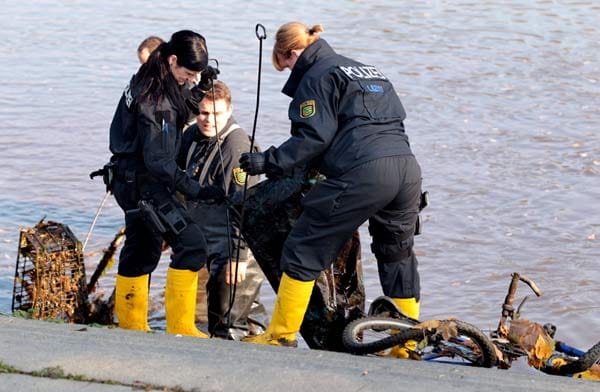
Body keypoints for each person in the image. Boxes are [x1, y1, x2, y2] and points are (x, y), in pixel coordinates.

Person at [240, 22, 423, 347]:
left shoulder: (316, 76)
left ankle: (279, 336)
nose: (288, 72)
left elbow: (312, 137)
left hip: (364, 173)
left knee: (302, 250)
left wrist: (267, 161)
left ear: (292, 53)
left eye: (285, 66)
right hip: (407, 170)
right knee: (397, 255)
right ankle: (406, 345)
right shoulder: (367, 71)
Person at [109, 30, 223, 338]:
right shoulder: (155, 98)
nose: (191, 80)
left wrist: (199, 89)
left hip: (131, 176)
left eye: (196, 75)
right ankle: (181, 328)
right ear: (173, 60)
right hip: (142, 181)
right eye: (188, 74)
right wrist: (196, 190)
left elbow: (180, 105)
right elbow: (160, 160)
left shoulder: (153, 73)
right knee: (191, 243)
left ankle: (132, 330)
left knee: (142, 250)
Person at [179, 80, 266, 340]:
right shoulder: (191, 136)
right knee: (229, 316)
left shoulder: (236, 146)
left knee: (228, 325)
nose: (208, 120)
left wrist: (238, 257)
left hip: (236, 242)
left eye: (216, 114)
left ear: (229, 111)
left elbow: (243, 206)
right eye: (203, 113)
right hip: (207, 235)